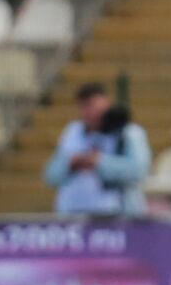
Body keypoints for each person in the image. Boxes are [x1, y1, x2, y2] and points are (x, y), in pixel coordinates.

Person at [44, 83, 151, 216]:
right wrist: (70, 164)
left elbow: (139, 170)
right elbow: (51, 176)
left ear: (106, 104)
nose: (90, 112)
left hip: (116, 216)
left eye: (94, 106)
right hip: (74, 215)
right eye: (85, 107)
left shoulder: (128, 133)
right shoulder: (73, 132)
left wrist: (100, 162)